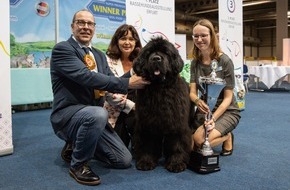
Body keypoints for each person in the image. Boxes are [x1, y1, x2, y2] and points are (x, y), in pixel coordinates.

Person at [50, 9, 149, 186]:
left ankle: (77, 143)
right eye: (81, 22)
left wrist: (136, 71)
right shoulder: (63, 49)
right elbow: (86, 77)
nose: (86, 27)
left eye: (90, 24)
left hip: (94, 118)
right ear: (73, 26)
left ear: (94, 28)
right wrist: (128, 84)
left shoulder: (98, 55)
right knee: (98, 114)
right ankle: (78, 164)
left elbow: (113, 80)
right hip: (69, 115)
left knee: (123, 160)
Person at [189, 19, 241, 157]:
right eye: (196, 36)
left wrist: (213, 119)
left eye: (203, 35)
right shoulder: (195, 62)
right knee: (188, 146)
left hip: (227, 110)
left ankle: (227, 136)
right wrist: (197, 101)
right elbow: (193, 93)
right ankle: (216, 134)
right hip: (205, 108)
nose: (199, 39)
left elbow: (229, 97)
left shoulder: (225, 61)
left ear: (211, 36)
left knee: (200, 141)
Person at [104, 24, 142, 149]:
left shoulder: (141, 61)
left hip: (138, 112)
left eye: (131, 39)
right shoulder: (107, 60)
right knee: (119, 154)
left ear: (136, 42)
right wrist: (132, 106)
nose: (127, 42)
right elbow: (107, 93)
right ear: (117, 41)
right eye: (123, 38)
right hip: (116, 111)